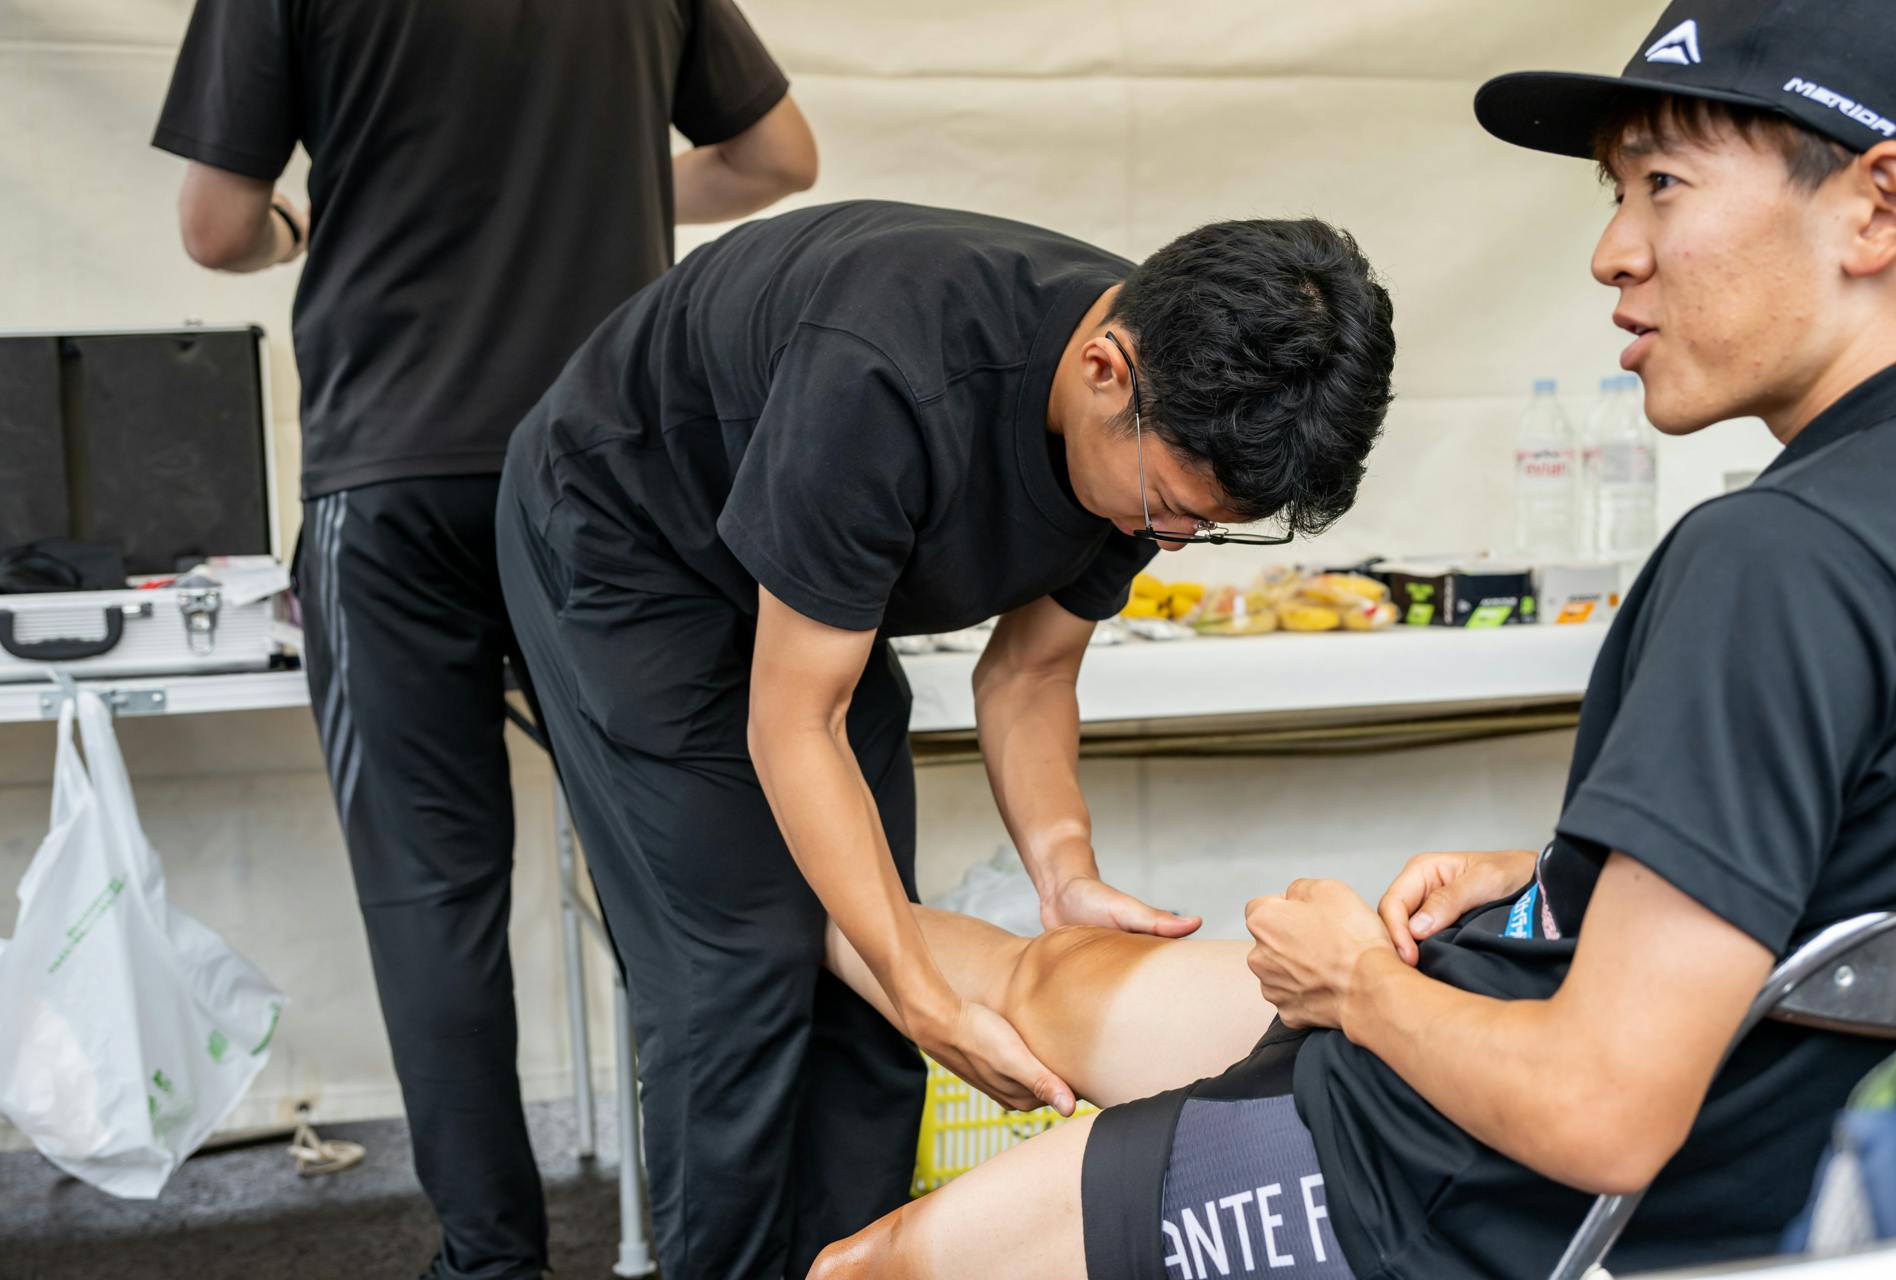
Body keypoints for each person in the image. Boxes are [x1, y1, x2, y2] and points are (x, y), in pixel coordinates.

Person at [802, 1, 1896, 1276]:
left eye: (1663, 185)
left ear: (1877, 209)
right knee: (1036, 973)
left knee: (862, 1264)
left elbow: (1601, 1112)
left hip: (1435, 1166)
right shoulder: (1865, 520)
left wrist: (1354, 982)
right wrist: (1580, 865)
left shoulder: (1774, 559)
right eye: (1618, 193)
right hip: (1509, 1025)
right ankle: (776, 912)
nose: (1613, 253)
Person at [495, 198, 1396, 1279]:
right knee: (736, 971)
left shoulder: (1172, 408)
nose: (1169, 538)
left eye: (1201, 526)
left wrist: (1063, 871)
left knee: (873, 977)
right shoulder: (886, 372)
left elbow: (1028, 672)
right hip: (628, 537)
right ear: (1105, 371)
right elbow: (797, 719)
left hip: (801, 581)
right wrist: (924, 993)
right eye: (1167, 507)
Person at [151, 2, 815, 1276]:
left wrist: (305, 220)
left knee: (432, 898)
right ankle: (730, 1250)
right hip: (607, 479)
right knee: (683, 888)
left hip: (392, 477)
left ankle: (490, 1261)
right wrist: (613, 192)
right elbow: (777, 158)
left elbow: (217, 224)